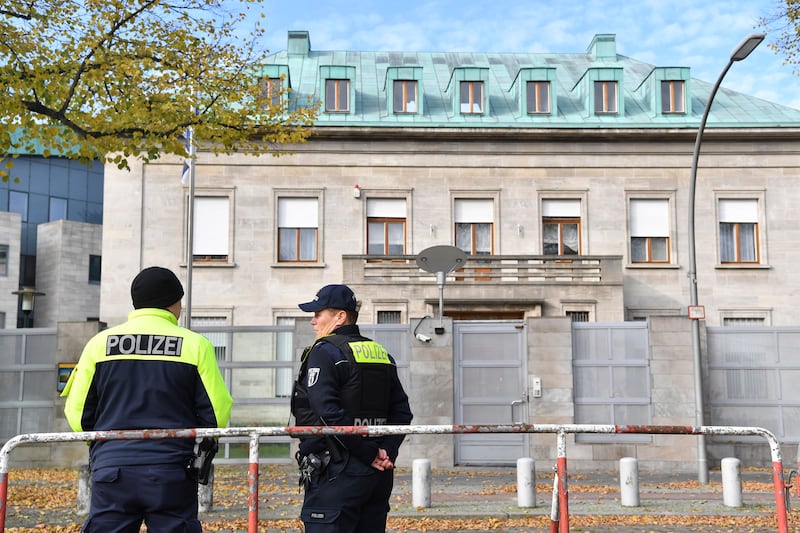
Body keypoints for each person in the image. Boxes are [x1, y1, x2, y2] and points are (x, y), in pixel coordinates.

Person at [61, 266, 233, 533]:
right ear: (174, 304)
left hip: (112, 469)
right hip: (171, 471)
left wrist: (103, 446)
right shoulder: (195, 345)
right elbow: (216, 413)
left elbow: (78, 414)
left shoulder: (99, 344)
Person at [291, 284, 413, 532]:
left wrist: (368, 454)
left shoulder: (324, 351)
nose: (313, 321)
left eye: (318, 314)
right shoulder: (380, 352)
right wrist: (385, 452)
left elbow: (327, 412)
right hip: (377, 475)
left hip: (337, 470)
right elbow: (401, 412)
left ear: (340, 317)